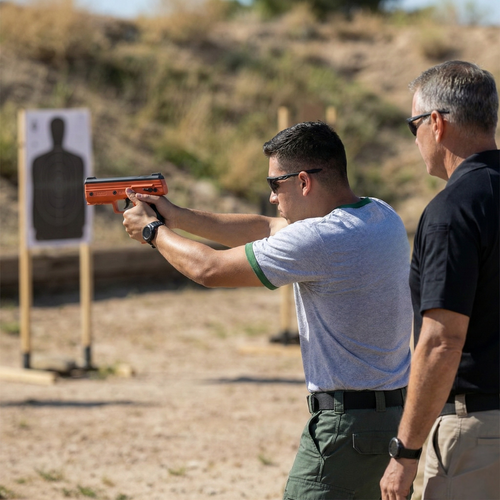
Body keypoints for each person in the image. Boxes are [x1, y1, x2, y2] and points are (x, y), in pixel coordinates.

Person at [123, 121, 413, 499]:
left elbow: (209, 269)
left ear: (304, 182)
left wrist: (153, 232)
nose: (273, 197)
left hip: (345, 427)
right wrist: (175, 215)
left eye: (276, 185)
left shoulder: (322, 238)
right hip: (390, 420)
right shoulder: (381, 215)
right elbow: (266, 226)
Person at [380, 61, 499, 500]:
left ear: (435, 122)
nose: (416, 140)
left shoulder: (454, 208)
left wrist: (405, 452)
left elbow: (442, 342)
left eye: (413, 126)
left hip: (478, 435)